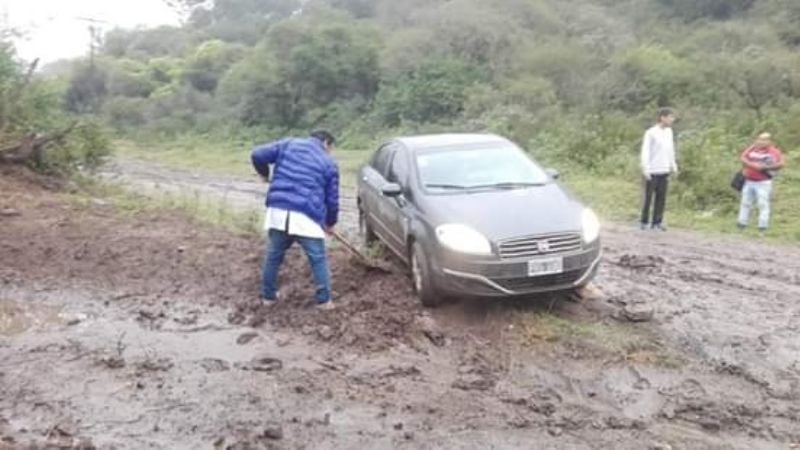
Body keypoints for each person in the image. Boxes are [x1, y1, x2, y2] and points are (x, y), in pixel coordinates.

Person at [251, 130, 339, 309]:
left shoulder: (288, 144)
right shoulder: (329, 162)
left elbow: (257, 154)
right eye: (331, 148)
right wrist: (330, 223)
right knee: (318, 258)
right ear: (326, 144)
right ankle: (324, 301)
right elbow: (332, 199)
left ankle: (268, 297)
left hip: (278, 210)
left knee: (274, 255)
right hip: (306, 215)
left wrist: (264, 175)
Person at [736, 132, 785, 234]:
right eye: (759, 139)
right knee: (745, 203)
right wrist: (753, 165)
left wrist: (765, 167)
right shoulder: (753, 149)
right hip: (749, 180)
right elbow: (743, 157)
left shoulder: (773, 151)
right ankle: (741, 225)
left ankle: (762, 227)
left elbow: (781, 164)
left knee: (762, 204)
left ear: (769, 141)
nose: (761, 142)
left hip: (763, 182)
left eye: (764, 140)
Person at [640, 108, 678, 231]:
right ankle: (644, 221)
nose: (672, 120)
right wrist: (645, 168)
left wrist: (673, 164)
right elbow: (645, 151)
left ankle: (657, 221)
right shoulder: (651, 132)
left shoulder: (669, 132)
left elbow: (670, 149)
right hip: (652, 169)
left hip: (664, 168)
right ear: (662, 117)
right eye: (670, 117)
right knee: (649, 197)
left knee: (661, 197)